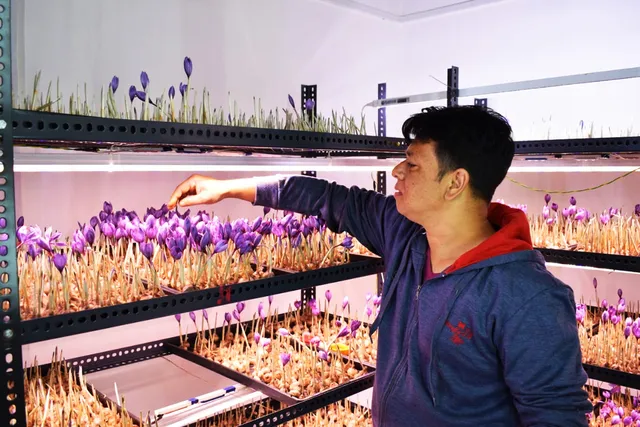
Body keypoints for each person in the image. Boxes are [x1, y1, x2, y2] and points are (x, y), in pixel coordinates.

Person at [167, 105, 593, 426]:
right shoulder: (405, 234)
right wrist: (226, 189)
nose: (396, 171)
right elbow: (328, 198)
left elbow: (557, 417)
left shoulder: (527, 296)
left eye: (412, 163)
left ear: (455, 183)